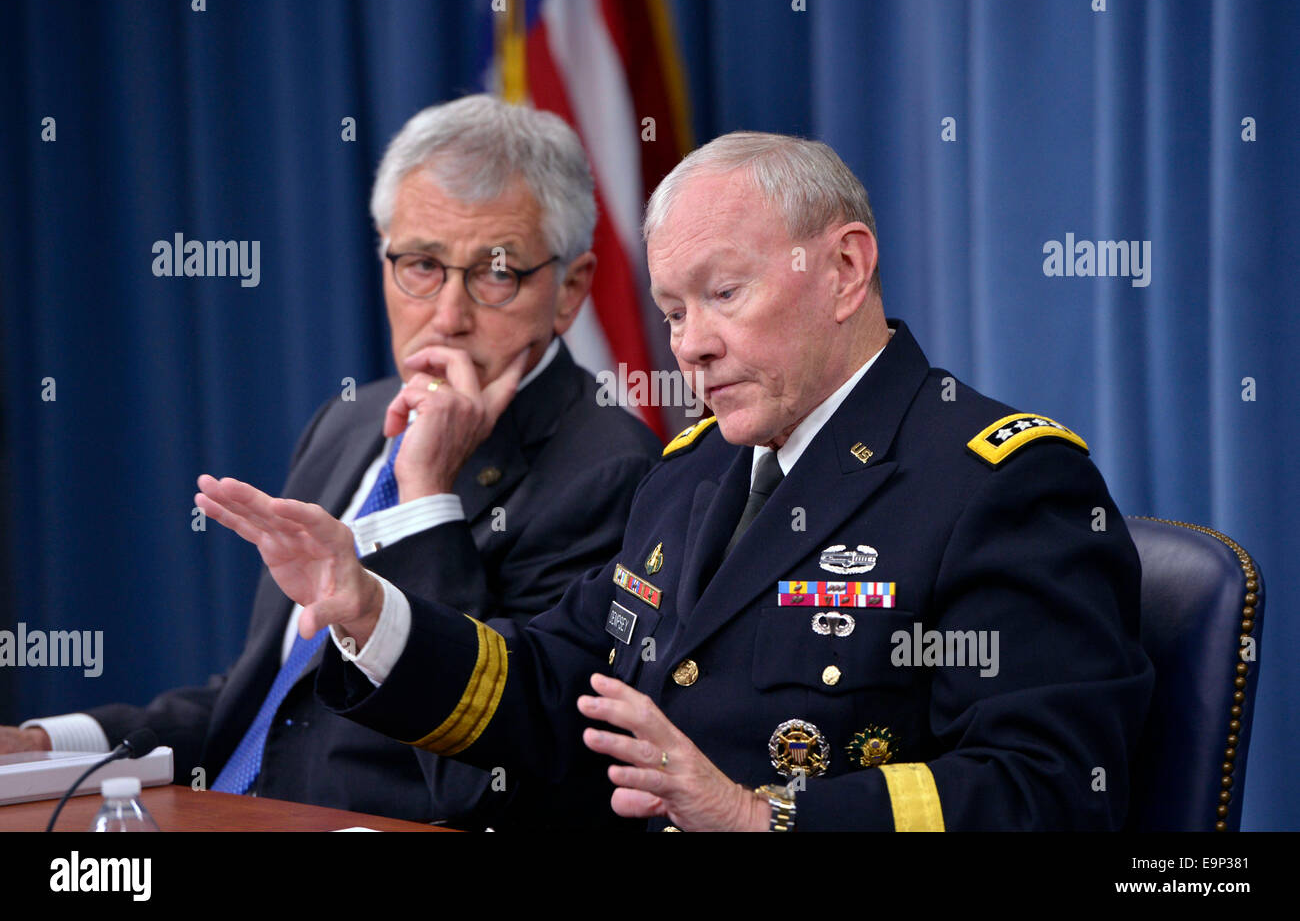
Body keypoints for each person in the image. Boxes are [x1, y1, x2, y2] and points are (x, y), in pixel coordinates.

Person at [200, 131, 1155, 830]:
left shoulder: (1004, 483)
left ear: (845, 269)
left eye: (724, 294)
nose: (690, 343)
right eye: (672, 308)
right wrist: (367, 609)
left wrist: (757, 818)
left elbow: (1052, 791)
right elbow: (550, 688)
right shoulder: (694, 473)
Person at [0, 95, 661, 826]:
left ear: (569, 290)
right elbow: (271, 705)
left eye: (496, 273)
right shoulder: (349, 421)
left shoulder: (612, 471)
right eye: (420, 265)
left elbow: (498, 764)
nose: (447, 314)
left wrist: (425, 500)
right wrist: (46, 745)